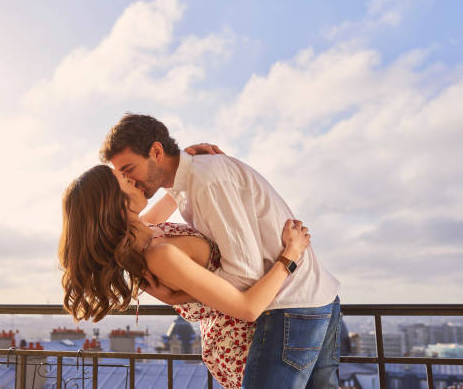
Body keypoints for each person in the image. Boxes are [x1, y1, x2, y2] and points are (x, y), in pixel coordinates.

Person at [100, 114, 341, 388]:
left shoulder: (205, 181)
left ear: (156, 151)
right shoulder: (187, 186)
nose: (130, 180)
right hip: (307, 297)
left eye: (129, 169)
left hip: (289, 305)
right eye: (123, 176)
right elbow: (146, 221)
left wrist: (183, 293)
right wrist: (185, 159)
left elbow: (244, 277)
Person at [58, 164, 311, 388]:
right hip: (244, 344)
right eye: (124, 179)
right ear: (114, 202)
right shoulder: (158, 255)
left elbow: (176, 191)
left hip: (259, 334)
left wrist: (190, 158)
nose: (132, 179)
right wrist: (290, 254)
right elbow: (248, 308)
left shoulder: (145, 229)